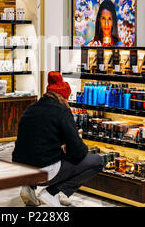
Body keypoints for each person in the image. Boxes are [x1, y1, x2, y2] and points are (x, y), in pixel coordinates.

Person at [12, 72, 105, 207]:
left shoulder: (31, 109)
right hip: (44, 171)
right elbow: (78, 152)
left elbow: (36, 140)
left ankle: (28, 187)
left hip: (20, 169)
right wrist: (76, 140)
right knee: (97, 161)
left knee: (35, 153)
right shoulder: (62, 111)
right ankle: (52, 192)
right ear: (63, 97)